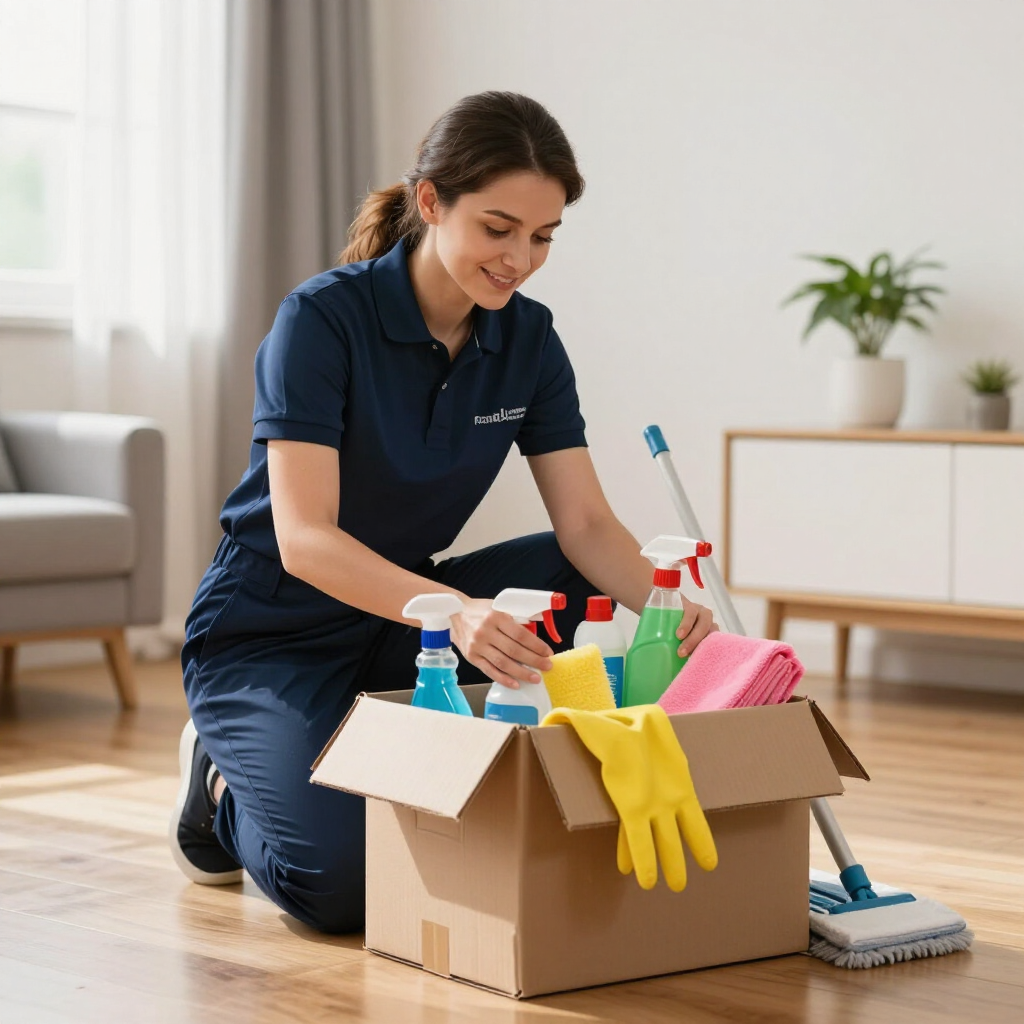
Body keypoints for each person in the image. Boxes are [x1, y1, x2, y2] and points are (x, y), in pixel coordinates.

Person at [169, 91, 717, 933]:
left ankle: (529, 775)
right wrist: (459, 613)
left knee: (578, 578)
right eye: (498, 229)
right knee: (344, 890)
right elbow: (305, 537)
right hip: (268, 633)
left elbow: (588, 527)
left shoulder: (528, 340)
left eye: (542, 237)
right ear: (431, 203)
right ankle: (218, 780)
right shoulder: (321, 321)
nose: (520, 259)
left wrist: (680, 613)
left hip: (402, 626)